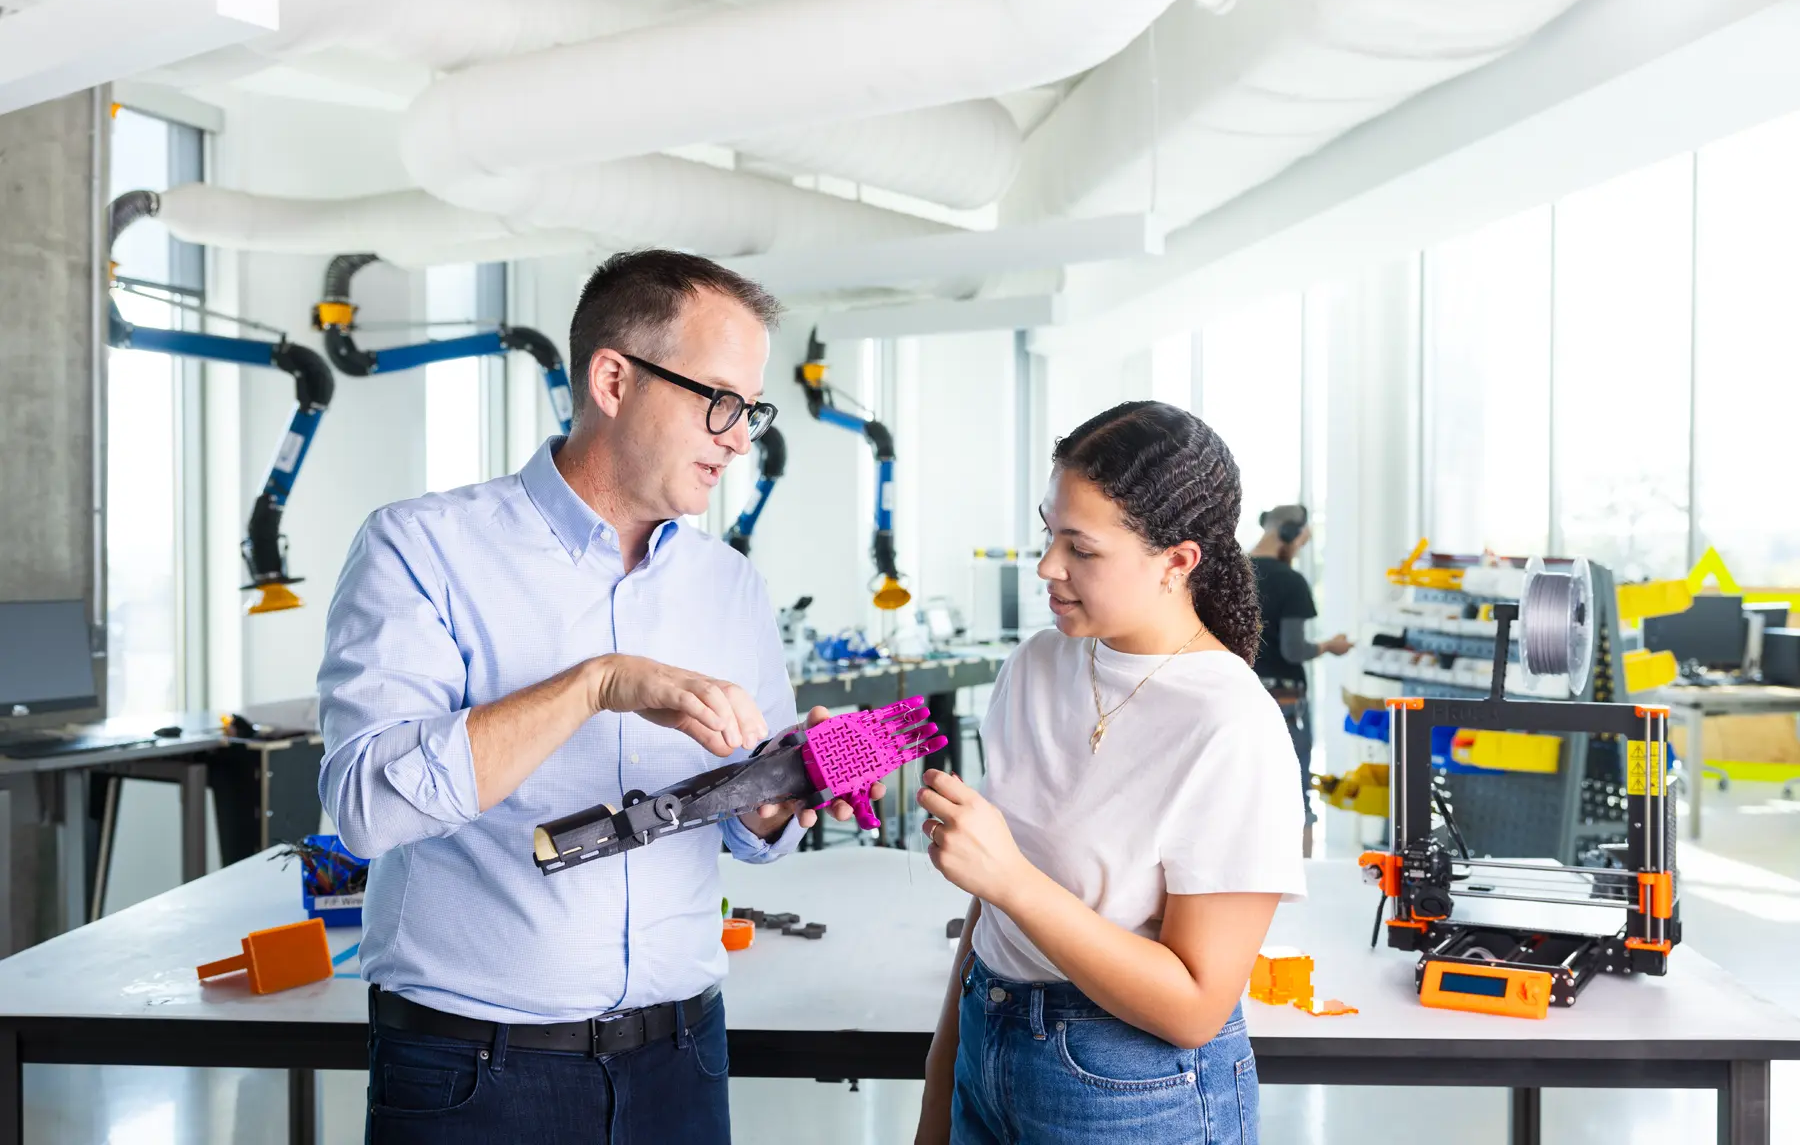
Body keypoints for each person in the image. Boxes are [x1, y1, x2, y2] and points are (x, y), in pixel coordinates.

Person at [317, 250, 879, 1144]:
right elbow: (366, 808)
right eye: (721, 402)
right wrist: (595, 685)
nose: (741, 438)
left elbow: (742, 830)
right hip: (474, 1072)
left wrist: (780, 792)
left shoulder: (730, 586)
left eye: (752, 410)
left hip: (682, 1060)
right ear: (614, 379)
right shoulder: (422, 549)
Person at [913, 401, 1306, 1145]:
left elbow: (1194, 1006)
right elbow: (996, 917)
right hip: (986, 1035)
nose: (1046, 567)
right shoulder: (1036, 664)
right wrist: (943, 1078)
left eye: (1080, 549)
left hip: (1129, 1087)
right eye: (1047, 532)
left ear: (1177, 561)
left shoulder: (1230, 723)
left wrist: (1009, 880)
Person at [1247, 504, 1351, 856]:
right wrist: (1329, 646)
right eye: (1301, 542)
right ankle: (1301, 883)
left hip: (1239, 694)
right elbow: (1294, 650)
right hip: (1283, 701)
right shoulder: (1290, 582)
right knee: (1294, 791)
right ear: (1289, 535)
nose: (1300, 549)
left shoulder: (1231, 573)